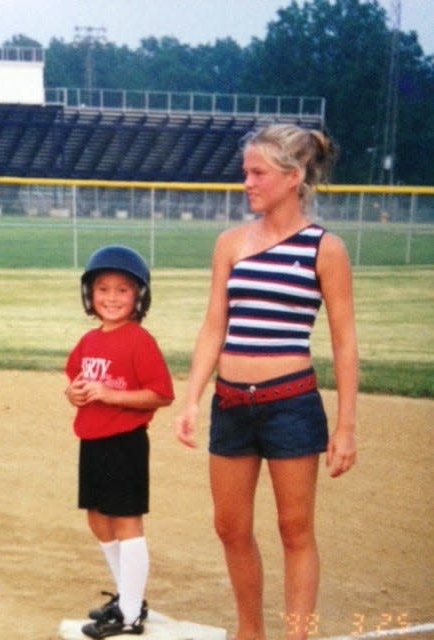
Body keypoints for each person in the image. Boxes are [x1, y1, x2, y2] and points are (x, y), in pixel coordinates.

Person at [175, 123, 358, 640]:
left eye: (258, 173)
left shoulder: (325, 249)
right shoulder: (229, 244)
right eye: (245, 172)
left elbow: (345, 343)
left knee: (295, 530)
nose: (247, 183)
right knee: (229, 527)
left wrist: (346, 427)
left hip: (290, 404)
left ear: (294, 176)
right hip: (231, 404)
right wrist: (191, 399)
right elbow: (214, 325)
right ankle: (249, 631)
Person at [65, 245, 174, 638]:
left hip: (125, 443)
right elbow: (76, 381)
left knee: (126, 523)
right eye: (103, 289)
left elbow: (161, 393)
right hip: (92, 441)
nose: (111, 298)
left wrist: (110, 395)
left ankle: (129, 615)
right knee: (98, 519)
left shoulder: (138, 341)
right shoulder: (89, 341)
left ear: (138, 297)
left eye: (123, 290)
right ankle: (131, 596)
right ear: (89, 295)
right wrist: (74, 395)